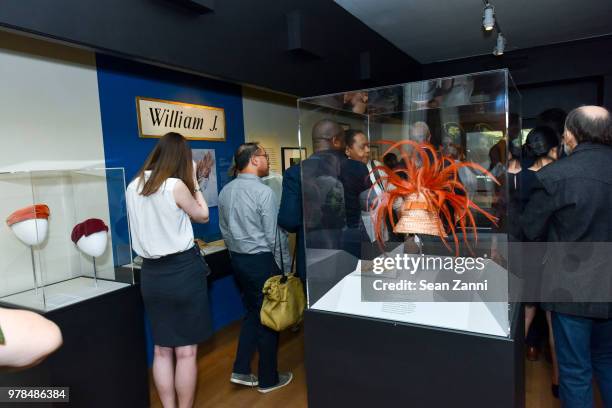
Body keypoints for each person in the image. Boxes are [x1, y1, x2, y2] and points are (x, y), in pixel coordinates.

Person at [520, 106, 612, 407]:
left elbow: (531, 229)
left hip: (572, 287)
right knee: (608, 363)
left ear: (569, 136)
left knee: (574, 371)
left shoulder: (554, 176)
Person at [127, 132, 212, 408]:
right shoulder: (175, 185)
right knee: (186, 352)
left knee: (161, 349)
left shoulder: (133, 186)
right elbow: (203, 215)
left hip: (151, 274)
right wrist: (195, 182)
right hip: (183, 272)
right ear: (180, 158)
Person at [218, 142, 293, 394]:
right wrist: (284, 271)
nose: (268, 160)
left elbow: (225, 231)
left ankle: (240, 368)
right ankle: (268, 379)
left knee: (253, 312)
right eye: (265, 156)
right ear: (253, 160)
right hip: (262, 260)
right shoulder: (264, 193)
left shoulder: (225, 191)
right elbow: (274, 237)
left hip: (238, 261)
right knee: (269, 319)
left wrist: (236, 255)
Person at [278, 119, 347, 285]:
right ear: (336, 140)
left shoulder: (295, 173)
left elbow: (289, 220)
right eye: (344, 140)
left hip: (312, 255)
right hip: (349, 250)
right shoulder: (354, 168)